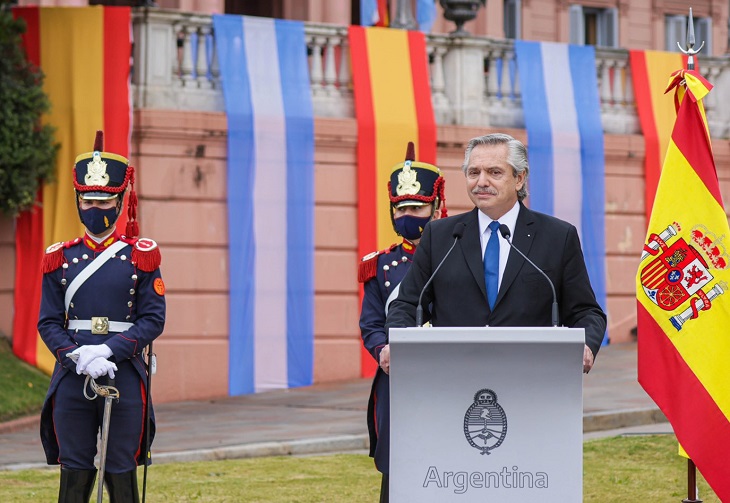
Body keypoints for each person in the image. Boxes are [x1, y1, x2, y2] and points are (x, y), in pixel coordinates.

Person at [385, 133, 606, 372]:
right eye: (473, 172)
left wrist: (586, 344)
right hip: (452, 376)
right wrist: (396, 342)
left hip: (532, 377)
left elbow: (585, 312)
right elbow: (406, 305)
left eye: (494, 172)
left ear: (519, 178)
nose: (481, 182)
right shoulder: (440, 236)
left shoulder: (557, 237)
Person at [37, 131, 166, 502]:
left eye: (105, 201)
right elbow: (48, 321)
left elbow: (153, 318)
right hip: (73, 372)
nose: (96, 208)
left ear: (120, 201)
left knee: (120, 466)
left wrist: (108, 351)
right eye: (89, 200)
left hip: (122, 373)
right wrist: (76, 355)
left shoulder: (140, 256)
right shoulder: (59, 257)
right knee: (74, 466)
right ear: (78, 201)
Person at [358, 141, 447, 503]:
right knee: (398, 464)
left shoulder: (456, 255)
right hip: (398, 375)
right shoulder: (380, 265)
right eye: (402, 207)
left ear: (436, 206)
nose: (408, 214)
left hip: (447, 372)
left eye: (417, 206)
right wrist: (382, 350)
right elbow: (371, 323)